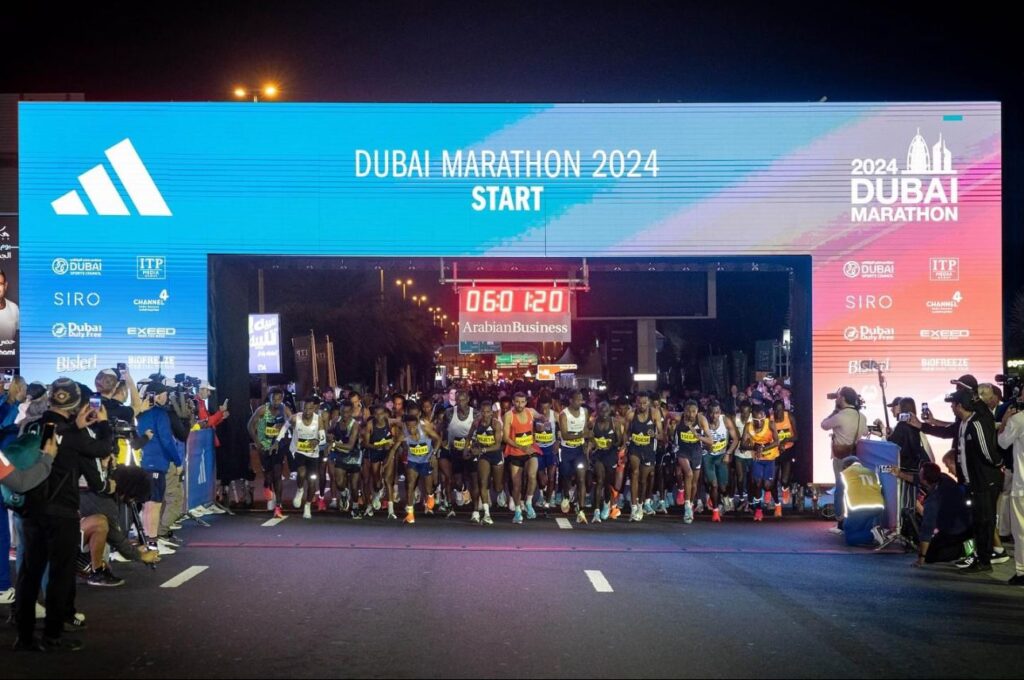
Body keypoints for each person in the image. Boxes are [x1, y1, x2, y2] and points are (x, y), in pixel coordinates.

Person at [16, 378, 113, 652]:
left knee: (29, 573)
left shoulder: (38, 426)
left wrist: (75, 427)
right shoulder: (71, 435)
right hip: (61, 512)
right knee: (60, 575)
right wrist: (103, 424)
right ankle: (53, 634)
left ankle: (24, 636)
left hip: (32, 509)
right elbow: (102, 449)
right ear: (74, 405)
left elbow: (54, 440)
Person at [919, 385, 1003, 573]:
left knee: (984, 520)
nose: (951, 408)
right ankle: (981, 557)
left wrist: (998, 464)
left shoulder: (976, 422)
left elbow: (986, 451)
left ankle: (985, 559)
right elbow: (947, 432)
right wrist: (925, 425)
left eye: (953, 404)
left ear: (959, 405)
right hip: (972, 480)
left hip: (984, 480)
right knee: (978, 520)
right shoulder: (963, 424)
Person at [138, 382, 182, 551]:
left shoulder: (140, 413)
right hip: (156, 463)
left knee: (147, 505)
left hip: (143, 462)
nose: (166, 397)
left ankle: (148, 542)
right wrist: (177, 462)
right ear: (156, 395)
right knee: (154, 505)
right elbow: (167, 440)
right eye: (164, 394)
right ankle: (152, 543)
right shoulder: (160, 414)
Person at [820, 387, 868, 533]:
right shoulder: (861, 416)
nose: (836, 399)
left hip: (841, 457)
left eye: (838, 396)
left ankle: (841, 523)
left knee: (840, 490)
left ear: (843, 398)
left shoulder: (840, 415)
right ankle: (855, 519)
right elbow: (864, 432)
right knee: (853, 488)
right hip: (856, 455)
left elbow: (824, 425)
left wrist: (835, 410)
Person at [913, 462, 973, 566]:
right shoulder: (944, 478)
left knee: (930, 556)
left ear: (925, 481)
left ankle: (965, 550)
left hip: (955, 530)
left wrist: (921, 558)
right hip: (969, 521)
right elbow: (917, 479)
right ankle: (969, 544)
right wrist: (899, 473)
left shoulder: (933, 500)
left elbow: (927, 529)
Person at [279, 396, 327, 520]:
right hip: (299, 451)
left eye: (310, 408)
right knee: (301, 473)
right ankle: (300, 490)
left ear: (314, 409)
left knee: (312, 481)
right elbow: (285, 427)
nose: (307, 411)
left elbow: (323, 438)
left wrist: (317, 440)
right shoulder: (296, 418)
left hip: (313, 454)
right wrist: (278, 440)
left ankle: (308, 505)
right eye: (305, 408)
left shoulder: (318, 420)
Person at [248, 388, 292, 518]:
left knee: (277, 474)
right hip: (264, 445)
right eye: (274, 398)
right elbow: (250, 426)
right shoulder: (262, 410)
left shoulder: (285, 409)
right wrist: (257, 441)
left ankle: (278, 505)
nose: (277, 401)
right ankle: (267, 485)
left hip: (279, 445)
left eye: (279, 399)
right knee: (268, 474)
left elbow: (293, 422)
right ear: (270, 398)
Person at [398, 407, 442, 524]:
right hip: (413, 460)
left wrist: (433, 454)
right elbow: (398, 443)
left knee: (428, 488)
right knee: (410, 485)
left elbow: (438, 439)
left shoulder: (424, 427)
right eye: (408, 426)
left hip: (426, 460)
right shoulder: (404, 429)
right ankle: (410, 514)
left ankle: (431, 495)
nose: (411, 428)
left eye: (413, 425)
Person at [504, 392, 542, 524]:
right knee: (516, 485)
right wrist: (521, 447)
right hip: (515, 452)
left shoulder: (531, 412)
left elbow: (543, 416)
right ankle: (518, 511)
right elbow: (505, 438)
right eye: (517, 402)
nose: (520, 404)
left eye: (522, 402)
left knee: (532, 475)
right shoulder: (509, 415)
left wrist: (545, 419)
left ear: (526, 402)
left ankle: (529, 502)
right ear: (513, 402)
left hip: (530, 450)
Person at [672, 399, 712, 524]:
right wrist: (669, 430)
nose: (690, 414)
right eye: (688, 411)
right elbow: (667, 415)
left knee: (694, 483)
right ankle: (687, 507)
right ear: (684, 411)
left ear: (697, 411)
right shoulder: (679, 418)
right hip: (682, 450)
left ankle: (691, 502)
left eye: (693, 411)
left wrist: (698, 436)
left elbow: (710, 441)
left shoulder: (701, 420)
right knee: (688, 474)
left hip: (696, 451)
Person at [997, 404, 1024, 585]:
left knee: (1021, 532)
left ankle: (1022, 572)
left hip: (1022, 486)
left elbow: (1002, 442)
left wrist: (1005, 419)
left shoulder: (1018, 419)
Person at [626, 392, 663, 523]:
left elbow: (662, 435)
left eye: (644, 403)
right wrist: (624, 447)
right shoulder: (631, 414)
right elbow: (626, 433)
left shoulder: (654, 414)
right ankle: (633, 507)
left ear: (649, 403)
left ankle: (641, 505)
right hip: (635, 448)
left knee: (643, 480)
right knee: (634, 473)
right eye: (639, 403)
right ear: (636, 402)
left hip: (648, 450)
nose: (642, 405)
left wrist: (655, 435)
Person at [439, 390, 474, 519]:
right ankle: (449, 507)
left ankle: (466, 491)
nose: (460, 403)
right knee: (449, 479)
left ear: (468, 399)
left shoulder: (474, 413)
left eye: (463, 400)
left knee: (465, 479)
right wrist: (442, 442)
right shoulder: (448, 413)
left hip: (467, 450)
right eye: (458, 400)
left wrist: (470, 447)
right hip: (449, 450)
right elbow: (442, 428)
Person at [703, 401, 738, 523]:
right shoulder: (703, 422)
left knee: (723, 487)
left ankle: (725, 497)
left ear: (720, 413)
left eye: (717, 413)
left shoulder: (726, 421)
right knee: (714, 484)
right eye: (711, 413)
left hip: (721, 456)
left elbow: (736, 439)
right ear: (708, 413)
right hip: (708, 456)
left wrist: (728, 453)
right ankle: (715, 511)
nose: (714, 416)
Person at [589, 401, 623, 524]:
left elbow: (619, 441)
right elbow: (589, 436)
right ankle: (596, 511)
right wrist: (593, 442)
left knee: (608, 482)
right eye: (601, 411)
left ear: (610, 411)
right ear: (597, 411)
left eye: (606, 411)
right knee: (599, 480)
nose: (604, 414)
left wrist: (611, 443)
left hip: (611, 454)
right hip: (598, 454)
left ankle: (606, 503)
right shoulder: (593, 422)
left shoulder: (615, 423)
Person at [471, 400, 504, 525]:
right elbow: (469, 436)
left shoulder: (496, 424)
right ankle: (486, 514)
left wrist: (483, 449)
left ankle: (500, 493)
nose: (485, 414)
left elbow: (497, 445)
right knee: (483, 482)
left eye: (488, 412)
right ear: (480, 412)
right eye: (483, 412)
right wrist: (469, 448)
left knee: (498, 487)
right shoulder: (476, 423)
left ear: (492, 413)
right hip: (483, 455)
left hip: (495, 454)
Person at [745, 404, 780, 522]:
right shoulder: (748, 426)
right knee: (757, 483)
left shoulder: (770, 424)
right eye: (756, 420)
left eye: (761, 419)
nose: (759, 422)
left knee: (767, 485)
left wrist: (763, 448)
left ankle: (773, 499)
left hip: (770, 458)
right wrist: (755, 446)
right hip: (757, 459)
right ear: (752, 417)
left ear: (764, 416)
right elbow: (743, 444)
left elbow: (777, 442)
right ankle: (758, 510)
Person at [363, 404, 398, 520]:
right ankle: (377, 492)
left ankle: (391, 510)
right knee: (376, 482)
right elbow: (365, 443)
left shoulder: (390, 422)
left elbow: (404, 424)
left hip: (387, 454)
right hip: (375, 452)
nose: (379, 416)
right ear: (373, 415)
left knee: (388, 479)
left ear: (385, 414)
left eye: (381, 414)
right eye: (376, 414)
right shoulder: (370, 425)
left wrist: (397, 441)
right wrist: (381, 446)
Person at [329, 402, 363, 519]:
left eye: (348, 412)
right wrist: (330, 437)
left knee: (354, 486)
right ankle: (344, 494)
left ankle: (355, 507)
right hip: (340, 455)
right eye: (343, 412)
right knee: (338, 482)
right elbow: (330, 432)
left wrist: (333, 444)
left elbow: (349, 446)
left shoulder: (355, 425)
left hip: (354, 456)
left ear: (352, 412)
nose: (345, 414)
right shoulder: (335, 421)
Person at [772, 398, 799, 509]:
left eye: (781, 410)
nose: (779, 413)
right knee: (773, 478)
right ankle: (771, 495)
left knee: (784, 479)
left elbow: (797, 436)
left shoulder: (789, 417)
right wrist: (778, 445)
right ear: (773, 410)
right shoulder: (771, 420)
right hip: (775, 450)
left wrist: (785, 441)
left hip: (788, 449)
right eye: (777, 410)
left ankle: (785, 488)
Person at [533, 395, 559, 510]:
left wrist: (557, 441)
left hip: (551, 449)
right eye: (542, 408)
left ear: (550, 406)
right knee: (542, 479)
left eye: (546, 408)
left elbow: (562, 429)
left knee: (552, 477)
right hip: (538, 450)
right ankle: (542, 494)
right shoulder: (535, 416)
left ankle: (549, 500)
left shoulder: (555, 416)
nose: (544, 411)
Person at [0, 269, 20, 342]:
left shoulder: (14, 308)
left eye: (0, 284)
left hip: (10, 353)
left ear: (5, 286)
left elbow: (18, 335)